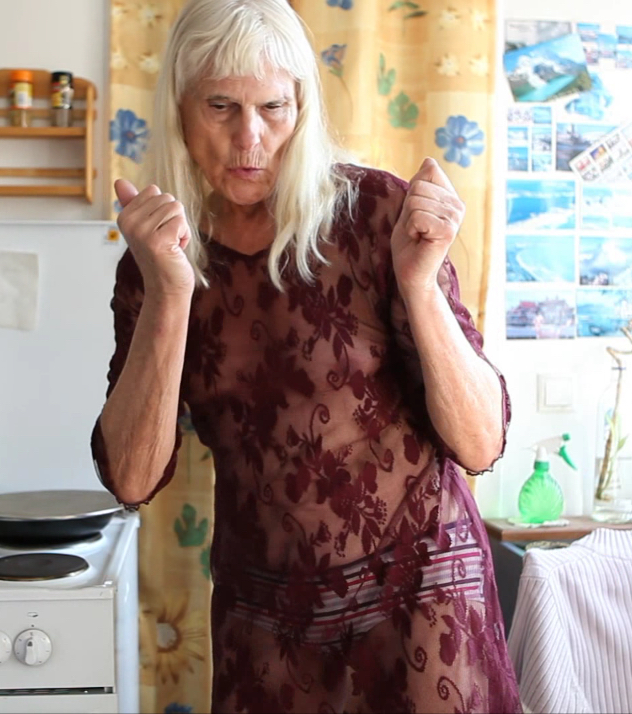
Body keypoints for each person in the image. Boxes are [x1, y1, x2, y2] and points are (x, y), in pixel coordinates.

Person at [91, 0, 520, 711]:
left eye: (273, 107)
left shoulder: (378, 215)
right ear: (180, 109)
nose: (249, 137)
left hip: (419, 604)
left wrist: (419, 286)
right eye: (221, 107)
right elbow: (132, 480)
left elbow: (481, 444)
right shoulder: (155, 261)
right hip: (266, 625)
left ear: (303, 108)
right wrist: (169, 293)